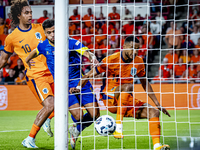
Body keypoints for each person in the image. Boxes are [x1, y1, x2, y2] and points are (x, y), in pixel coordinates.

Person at [69, 36, 171, 150]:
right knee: (127, 86)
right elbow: (87, 75)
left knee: (153, 112)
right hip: (110, 98)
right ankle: (119, 127)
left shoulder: (139, 62)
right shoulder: (111, 60)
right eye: (132, 48)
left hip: (126, 99)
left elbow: (144, 83)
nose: (135, 51)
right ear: (124, 47)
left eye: (137, 48)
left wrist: (157, 103)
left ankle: (157, 146)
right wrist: (78, 87)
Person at [25, 19, 100, 149]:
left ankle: (76, 130)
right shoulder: (43, 46)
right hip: (62, 86)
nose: (52, 35)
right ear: (45, 33)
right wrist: (27, 60)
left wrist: (92, 58)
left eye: (54, 31)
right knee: (78, 115)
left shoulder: (70, 42)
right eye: (49, 33)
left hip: (81, 82)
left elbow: (86, 51)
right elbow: (33, 52)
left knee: (95, 114)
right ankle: (63, 125)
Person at [0, 0, 54, 148]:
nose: (30, 15)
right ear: (19, 16)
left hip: (52, 73)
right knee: (51, 104)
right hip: (35, 76)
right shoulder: (12, 37)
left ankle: (47, 118)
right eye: (27, 13)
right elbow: (4, 59)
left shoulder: (40, 29)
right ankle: (29, 139)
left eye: (30, 12)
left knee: (66, 102)